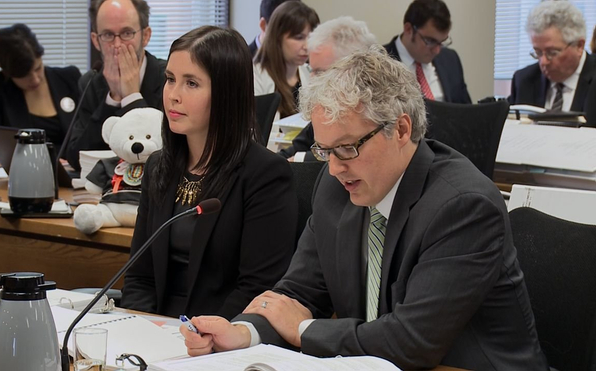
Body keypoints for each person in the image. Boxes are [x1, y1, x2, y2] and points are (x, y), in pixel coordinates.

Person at [179, 45, 549, 370]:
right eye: (325, 150)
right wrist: (242, 334)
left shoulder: (463, 206)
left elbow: (412, 341)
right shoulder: (337, 186)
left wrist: (304, 329)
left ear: (401, 130)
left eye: (348, 147)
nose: (336, 167)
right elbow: (298, 294)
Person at [121, 26, 298, 320]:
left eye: (191, 83)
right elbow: (141, 276)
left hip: (221, 338)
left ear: (226, 93)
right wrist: (142, 328)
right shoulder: (158, 167)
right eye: (170, 79)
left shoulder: (265, 175)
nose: (173, 96)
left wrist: (203, 335)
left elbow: (257, 288)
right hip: (155, 334)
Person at [66, 0, 167, 171]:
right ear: (95, 40)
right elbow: (77, 159)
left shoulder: (169, 79)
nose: (117, 45)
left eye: (127, 33)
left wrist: (131, 98)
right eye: (107, 35)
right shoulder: (90, 82)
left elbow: (165, 156)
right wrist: (112, 100)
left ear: (146, 36)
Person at [278, 16, 378, 162]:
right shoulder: (328, 110)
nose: (312, 80)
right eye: (311, 70)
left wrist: (300, 159)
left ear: (356, 69)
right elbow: (290, 153)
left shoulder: (381, 115)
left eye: (320, 72)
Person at [0, 23, 81, 151]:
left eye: (38, 68)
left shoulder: (69, 78)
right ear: (7, 72)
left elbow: (86, 135)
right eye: (24, 76)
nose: (35, 79)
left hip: (72, 168)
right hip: (21, 168)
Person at [508, 1, 595, 113]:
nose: (543, 62)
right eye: (538, 52)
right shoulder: (524, 81)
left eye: (552, 53)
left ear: (579, 46)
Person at [383, 0, 471, 104]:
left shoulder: (450, 59)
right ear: (408, 29)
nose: (437, 51)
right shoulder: (378, 63)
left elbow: (466, 113)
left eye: (441, 42)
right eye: (430, 41)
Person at [253, 1, 319, 121]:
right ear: (276, 37)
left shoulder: (309, 71)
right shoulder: (254, 76)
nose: (307, 46)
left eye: (311, 38)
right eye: (299, 38)